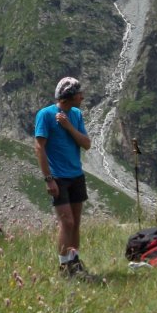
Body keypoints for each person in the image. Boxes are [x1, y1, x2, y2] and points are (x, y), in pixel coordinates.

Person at [34, 76, 92, 277]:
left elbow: (86, 143)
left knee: (75, 221)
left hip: (76, 174)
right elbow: (39, 147)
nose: (82, 97)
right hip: (58, 177)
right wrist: (48, 178)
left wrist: (69, 127)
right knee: (66, 221)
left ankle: (74, 262)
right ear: (68, 97)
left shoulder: (75, 115)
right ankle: (63, 265)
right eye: (79, 94)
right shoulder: (46, 115)